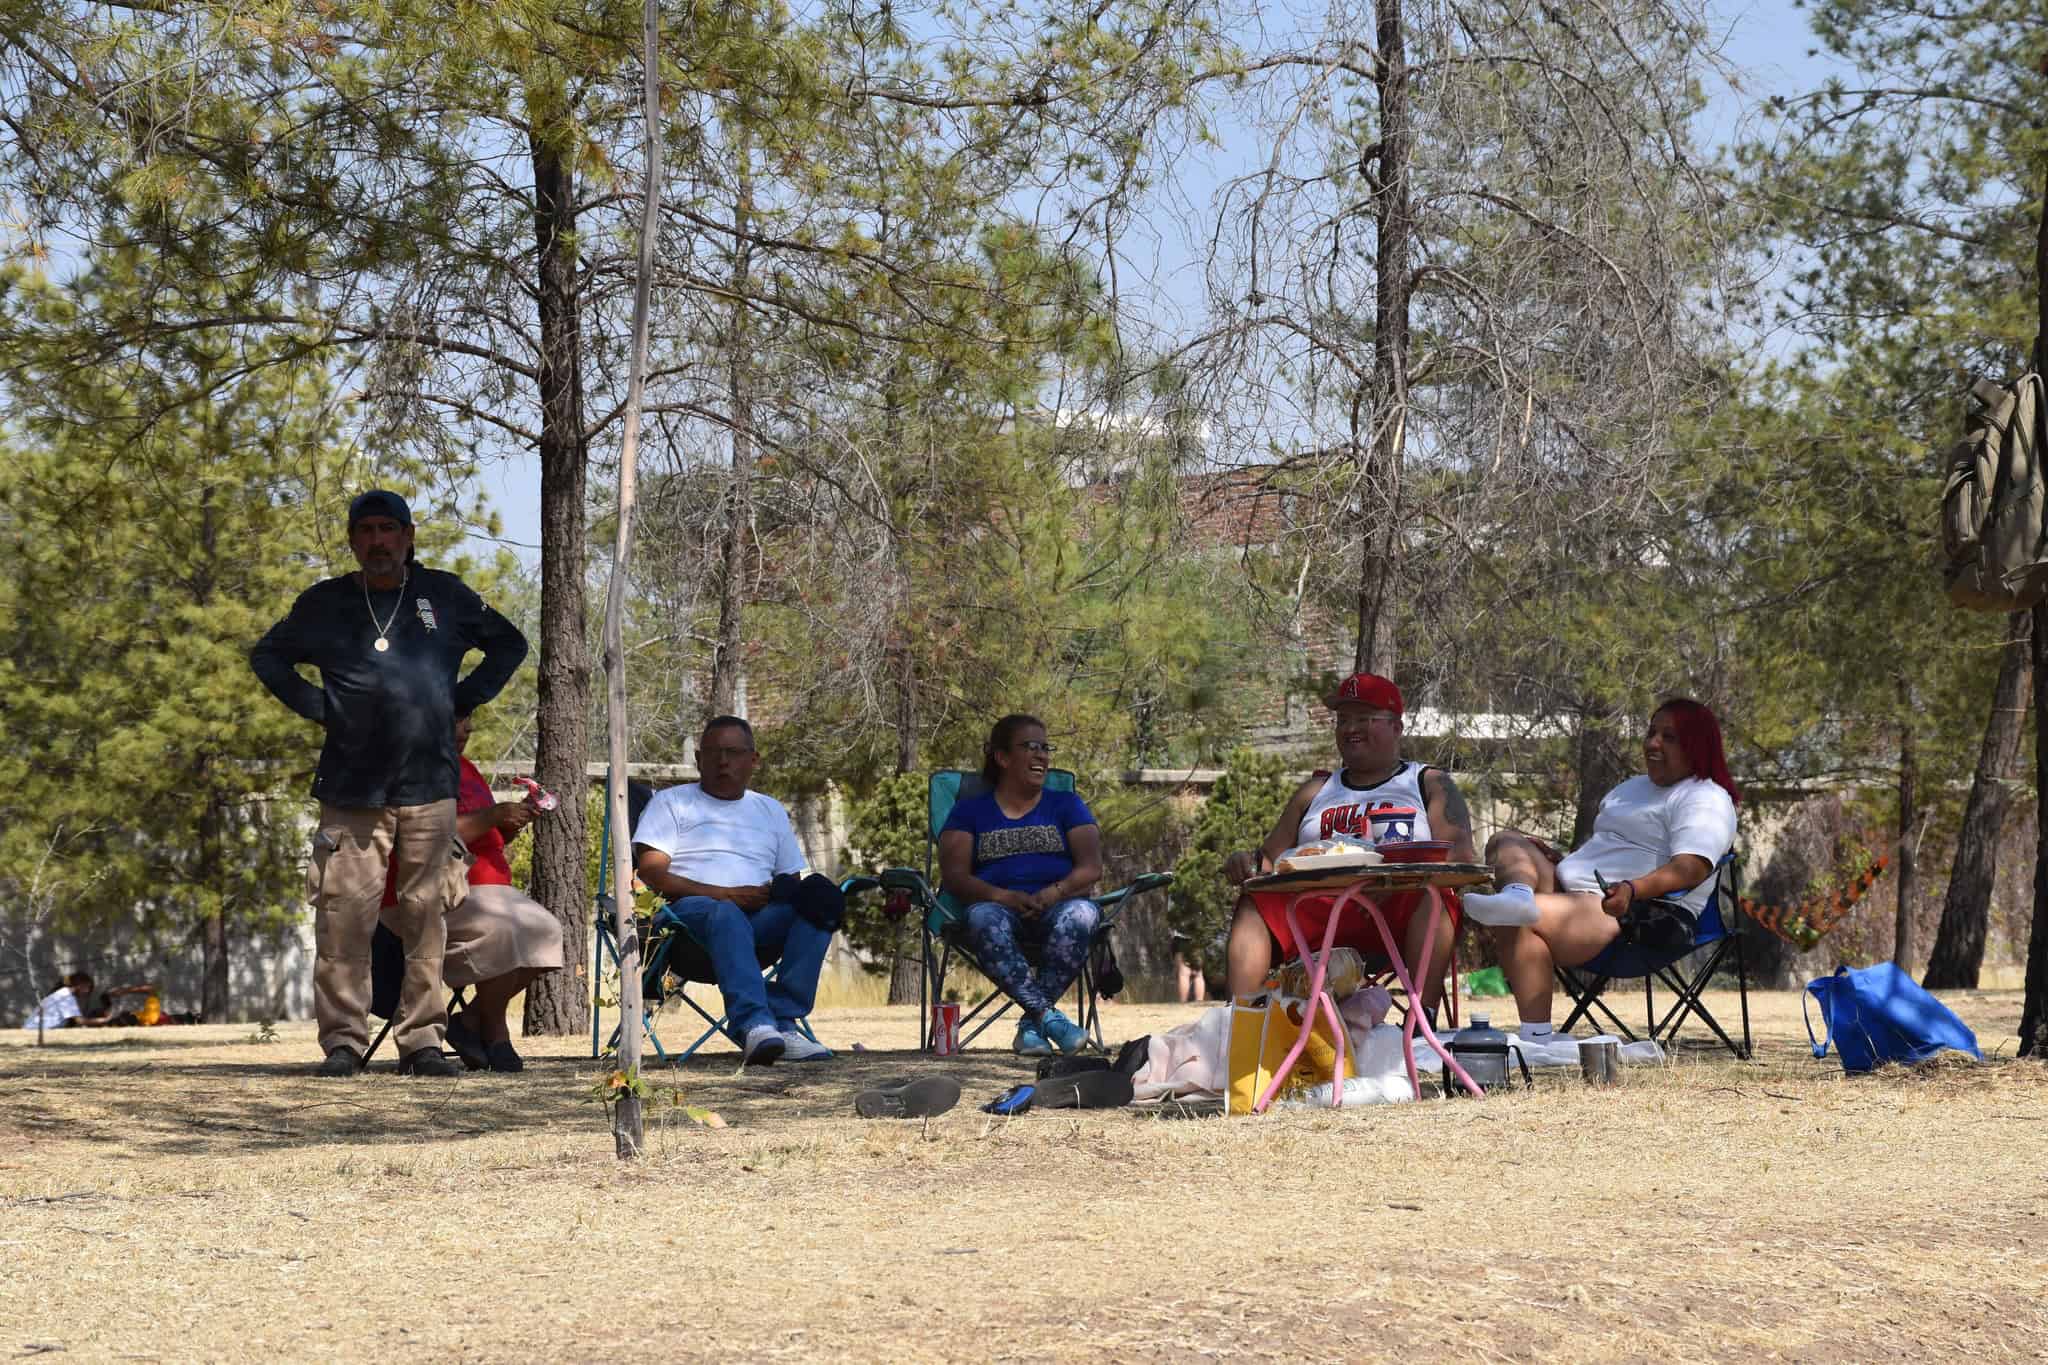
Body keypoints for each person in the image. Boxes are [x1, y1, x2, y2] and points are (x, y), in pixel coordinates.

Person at [250, 489, 529, 1078]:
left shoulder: (444, 596)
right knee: (344, 918)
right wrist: (316, 704)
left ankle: (424, 1042)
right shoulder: (325, 603)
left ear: (408, 537)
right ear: (353, 541)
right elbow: (268, 655)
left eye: (388, 530)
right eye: (366, 531)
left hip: (428, 786)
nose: (377, 541)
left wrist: (464, 697)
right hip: (352, 790)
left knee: (428, 916)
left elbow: (510, 643)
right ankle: (344, 1044)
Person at [1459, 697, 1740, 1046]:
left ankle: (1537, 1039)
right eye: (1652, 732)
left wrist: (1631, 890)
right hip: (1579, 895)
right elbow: (1608, 851)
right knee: (1506, 840)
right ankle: (1518, 894)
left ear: (1697, 746)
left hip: (1641, 915)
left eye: (1669, 737)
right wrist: (1562, 861)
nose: (1652, 743)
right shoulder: (1630, 789)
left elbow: (1690, 868)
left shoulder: (1704, 798)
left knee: (1521, 920)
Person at [1220, 672, 1478, 1011]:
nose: (1350, 728)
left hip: (1397, 910)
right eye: (1343, 720)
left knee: (1435, 897)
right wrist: (1245, 863)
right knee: (1254, 903)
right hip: (1319, 913)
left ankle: (1421, 1022)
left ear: (1396, 727)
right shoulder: (1315, 790)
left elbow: (1459, 858)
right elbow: (1268, 862)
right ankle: (1240, 1024)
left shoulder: (1427, 782)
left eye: (1364, 718)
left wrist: (1402, 875)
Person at [632, 716, 841, 1065]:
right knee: (723, 912)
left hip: (759, 927)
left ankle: (783, 1022)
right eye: (712, 752)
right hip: (687, 928)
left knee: (817, 904)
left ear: (753, 760)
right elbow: (652, 873)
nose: (722, 761)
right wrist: (726, 895)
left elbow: (790, 877)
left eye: (732, 752)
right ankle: (754, 1025)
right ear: (699, 760)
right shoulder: (671, 803)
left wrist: (776, 893)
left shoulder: (769, 809)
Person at [379, 710, 564, 1073]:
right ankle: (496, 1031)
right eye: (458, 719)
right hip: (433, 892)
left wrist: (511, 821)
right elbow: (424, 839)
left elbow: (486, 836)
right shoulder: (404, 767)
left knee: (548, 932)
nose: (468, 728)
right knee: (502, 931)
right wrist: (494, 815)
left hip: (490, 890)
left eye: (468, 720)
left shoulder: (465, 768)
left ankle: (471, 1021)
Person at [938, 713, 1103, 1056]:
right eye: (1031, 747)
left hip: (1058, 907)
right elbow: (954, 877)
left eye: (1045, 747)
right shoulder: (969, 811)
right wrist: (1003, 896)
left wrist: (1053, 892)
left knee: (1082, 914)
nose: (1042, 755)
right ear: (1001, 757)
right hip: (997, 911)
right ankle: (1049, 1018)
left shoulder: (1066, 804)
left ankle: (1032, 1025)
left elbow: (1091, 868)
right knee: (982, 916)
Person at [22, 973, 92, 1031]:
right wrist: (102, 1020)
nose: (87, 991)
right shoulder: (66, 996)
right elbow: (80, 1021)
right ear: (79, 985)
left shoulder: (63, 993)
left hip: (33, 1028)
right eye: (87, 987)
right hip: (37, 1030)